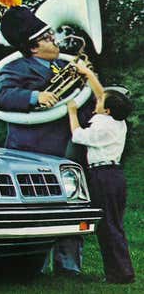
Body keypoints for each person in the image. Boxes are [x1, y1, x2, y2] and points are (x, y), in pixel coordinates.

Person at [0, 0, 89, 275]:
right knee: (39, 209)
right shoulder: (16, 68)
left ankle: (69, 266)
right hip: (32, 149)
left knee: (73, 208)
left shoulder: (65, 65)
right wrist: (36, 98)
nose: (55, 40)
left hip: (68, 146)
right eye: (48, 37)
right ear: (34, 46)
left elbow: (80, 98)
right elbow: (1, 96)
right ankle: (33, 265)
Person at [67, 64, 135, 284]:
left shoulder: (102, 127)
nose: (96, 101)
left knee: (107, 226)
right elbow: (101, 94)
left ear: (106, 110)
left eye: (99, 102)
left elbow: (77, 135)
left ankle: (119, 274)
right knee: (114, 224)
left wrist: (72, 112)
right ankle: (120, 271)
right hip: (114, 175)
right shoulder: (115, 120)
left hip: (103, 175)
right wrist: (87, 75)